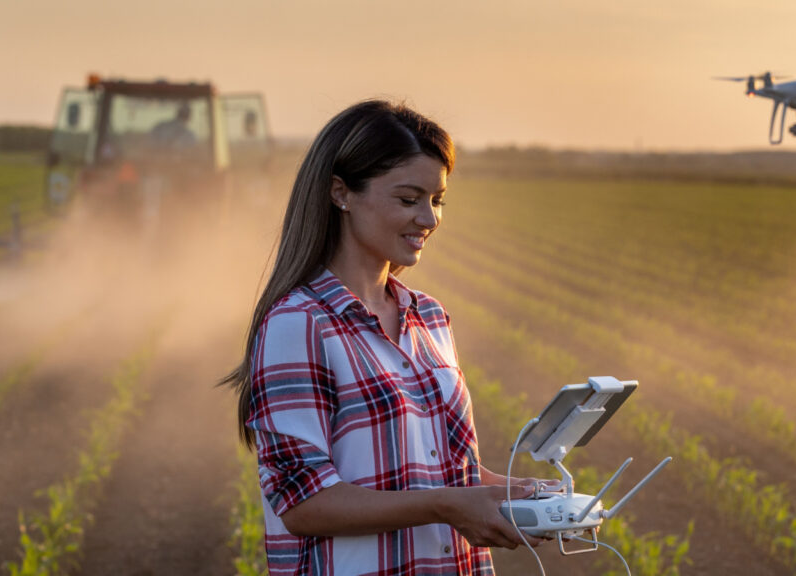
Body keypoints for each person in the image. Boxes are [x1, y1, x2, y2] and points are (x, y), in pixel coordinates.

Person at [222, 100, 551, 575]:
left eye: (437, 200)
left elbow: (444, 472)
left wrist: (521, 496)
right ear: (341, 193)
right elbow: (303, 503)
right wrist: (446, 506)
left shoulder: (430, 318)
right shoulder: (299, 324)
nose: (429, 218)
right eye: (408, 199)